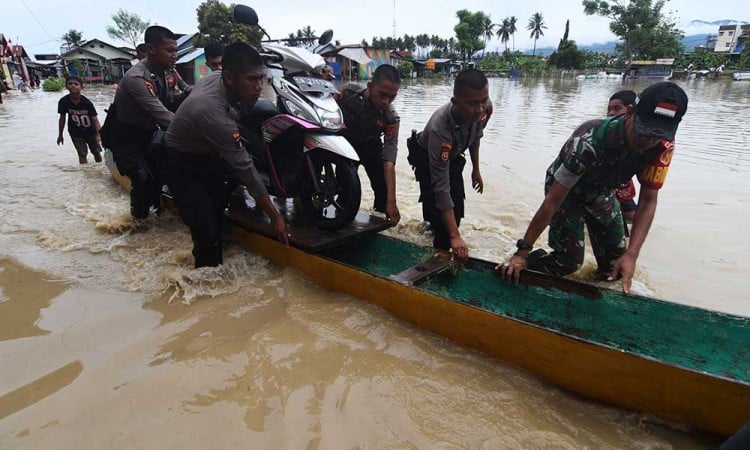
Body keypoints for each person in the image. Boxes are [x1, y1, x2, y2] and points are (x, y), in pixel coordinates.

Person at [499, 82, 688, 294]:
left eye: (655, 137)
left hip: (603, 193)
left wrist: (632, 255)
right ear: (630, 113)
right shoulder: (589, 139)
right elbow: (552, 201)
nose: (648, 142)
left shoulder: (662, 147)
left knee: (615, 267)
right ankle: (526, 267)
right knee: (568, 262)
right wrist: (522, 252)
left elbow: (648, 201)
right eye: (643, 133)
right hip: (567, 191)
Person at [163, 42, 288, 268]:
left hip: (208, 153)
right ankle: (207, 283)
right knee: (206, 229)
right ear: (229, 77)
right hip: (181, 161)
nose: (259, 86)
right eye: (252, 80)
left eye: (262, 78)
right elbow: (245, 169)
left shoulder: (220, 79)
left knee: (218, 206)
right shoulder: (211, 110)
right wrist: (275, 216)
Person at [406, 68, 489, 261]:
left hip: (453, 154)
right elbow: (441, 186)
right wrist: (454, 236)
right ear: (455, 102)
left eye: (483, 101)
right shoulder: (440, 128)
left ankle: (440, 228)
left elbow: (476, 136)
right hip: (426, 155)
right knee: (437, 204)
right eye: (472, 104)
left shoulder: (485, 108)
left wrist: (476, 169)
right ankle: (438, 248)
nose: (479, 109)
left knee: (457, 202)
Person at [109, 26, 177, 219]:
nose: (174, 56)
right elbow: (162, 114)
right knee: (141, 176)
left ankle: (157, 215)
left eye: (176, 51)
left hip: (148, 133)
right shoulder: (137, 77)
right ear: (151, 49)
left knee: (160, 173)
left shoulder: (165, 72)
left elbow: (171, 101)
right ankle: (138, 223)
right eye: (169, 50)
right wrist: (196, 130)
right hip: (125, 137)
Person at [337, 64, 401, 224]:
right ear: (370, 86)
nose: (386, 101)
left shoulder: (391, 117)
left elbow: (389, 159)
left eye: (392, 97)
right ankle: (338, 222)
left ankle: (378, 221)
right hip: (346, 147)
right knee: (346, 188)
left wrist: (391, 201)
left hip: (371, 147)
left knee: (382, 189)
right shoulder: (347, 94)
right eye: (382, 94)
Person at [607, 90, 639, 222]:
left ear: (631, 111)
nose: (611, 113)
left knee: (633, 218)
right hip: (597, 187)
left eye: (617, 108)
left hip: (621, 186)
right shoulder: (602, 132)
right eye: (609, 109)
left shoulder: (641, 137)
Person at [56, 76, 102, 163]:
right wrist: (60, 134)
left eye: (76, 84)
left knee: (96, 152)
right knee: (82, 154)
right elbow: (62, 118)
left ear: (81, 88)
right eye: (70, 84)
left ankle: (98, 169)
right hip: (75, 132)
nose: (73, 86)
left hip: (90, 131)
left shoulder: (87, 103)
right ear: (66, 86)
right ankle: (85, 173)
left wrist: (99, 135)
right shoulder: (63, 102)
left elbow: (95, 119)